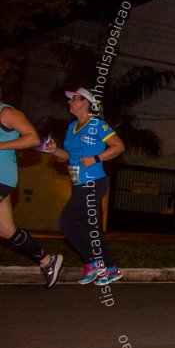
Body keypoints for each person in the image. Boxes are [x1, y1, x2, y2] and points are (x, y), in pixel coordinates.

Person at [42, 88, 125, 286]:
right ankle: (100, 265)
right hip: (78, 184)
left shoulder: (97, 125)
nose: (69, 102)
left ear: (85, 102)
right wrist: (55, 151)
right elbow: (70, 156)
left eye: (74, 99)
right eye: (70, 100)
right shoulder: (72, 127)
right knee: (88, 227)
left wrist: (96, 158)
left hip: (94, 182)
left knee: (66, 222)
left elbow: (119, 146)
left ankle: (104, 266)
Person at [0, 93, 63, 286]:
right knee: (6, 230)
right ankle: (48, 261)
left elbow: (33, 139)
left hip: (2, 175)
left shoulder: (7, 113)